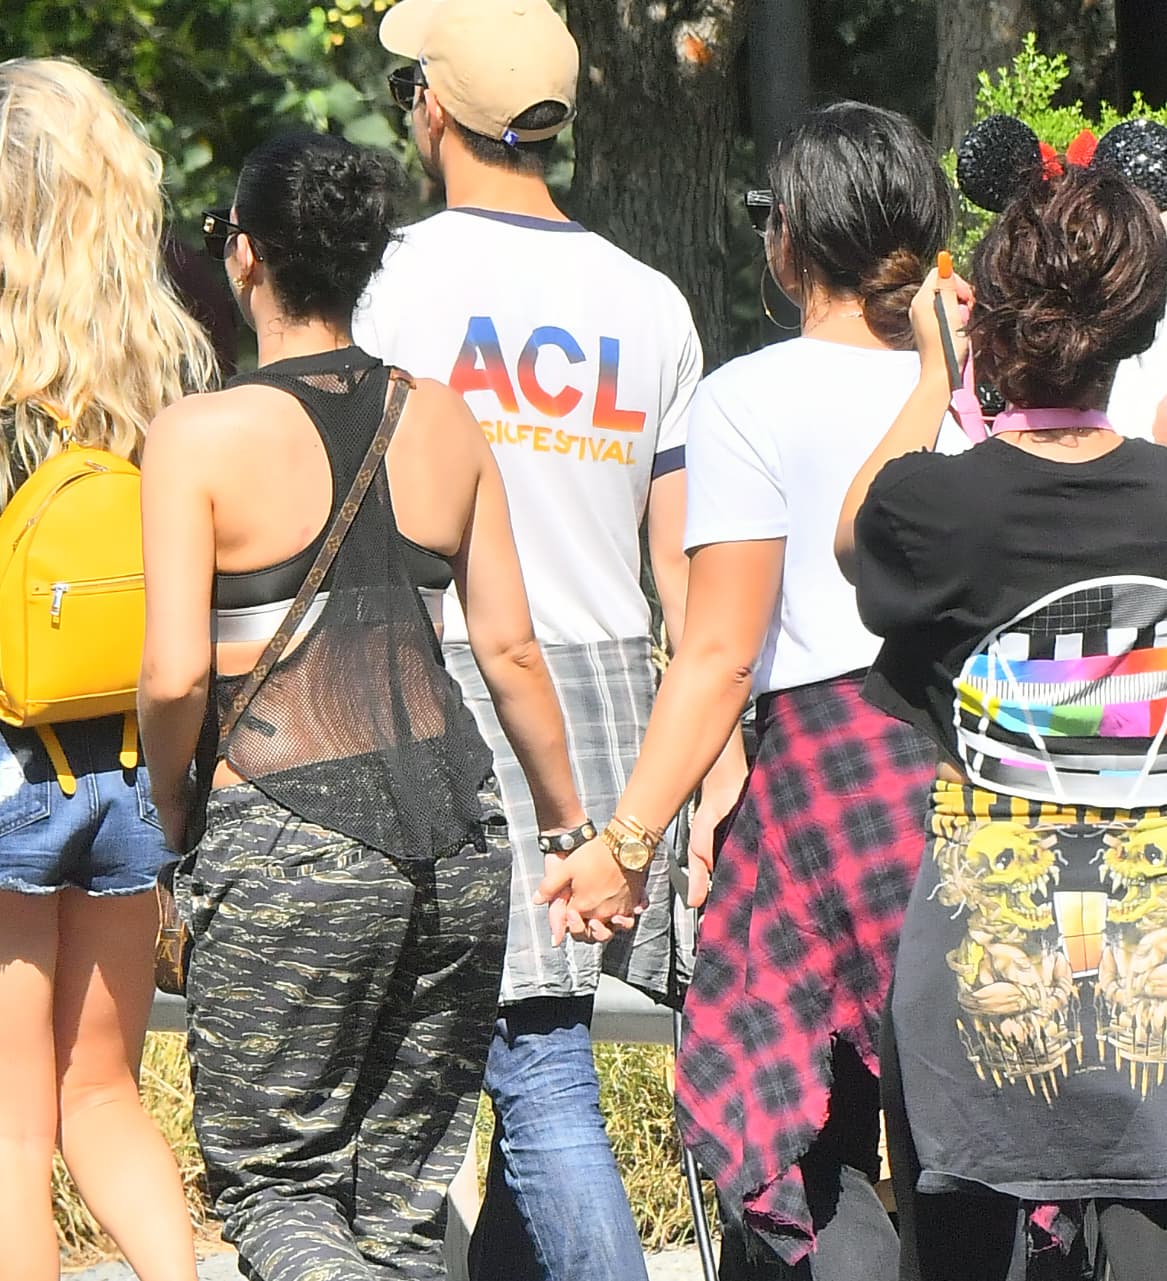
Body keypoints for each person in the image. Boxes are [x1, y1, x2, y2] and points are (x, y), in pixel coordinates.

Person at [137, 131, 607, 1281]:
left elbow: (175, 679)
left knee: (272, 1192)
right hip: (459, 844)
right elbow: (507, 648)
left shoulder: (196, 436)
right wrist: (569, 827)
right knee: (395, 1210)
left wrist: (174, 825)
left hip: (284, 834)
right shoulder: (445, 421)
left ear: (243, 257)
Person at [541, 102, 954, 1279]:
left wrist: (628, 838)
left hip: (826, 778)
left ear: (791, 243)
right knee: (959, 1139)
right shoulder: (977, 387)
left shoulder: (750, 398)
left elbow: (719, 651)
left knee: (808, 1142)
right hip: (979, 774)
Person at [352, 3, 708, 1279]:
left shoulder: (396, 281)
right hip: (613, 701)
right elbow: (679, 567)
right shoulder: (651, 301)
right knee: (535, 1040)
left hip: (446, 688)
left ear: (432, 109)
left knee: (537, 1073)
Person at [834, 164, 1167, 1279]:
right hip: (1154, 960)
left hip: (986, 956)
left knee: (963, 1246)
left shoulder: (933, 506)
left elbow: (853, 540)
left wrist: (934, 371)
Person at [0, 57, 216, 1281]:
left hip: (8, 767)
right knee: (105, 1097)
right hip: (131, 770)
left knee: (10, 1123)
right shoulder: (168, 365)